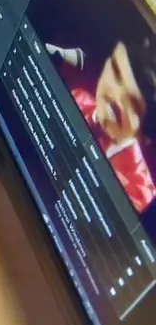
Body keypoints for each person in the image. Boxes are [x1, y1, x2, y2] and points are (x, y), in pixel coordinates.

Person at [48, 39, 156, 212]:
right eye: (116, 72)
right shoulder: (79, 98)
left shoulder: (139, 195)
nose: (116, 97)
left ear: (145, 136)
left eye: (134, 104)